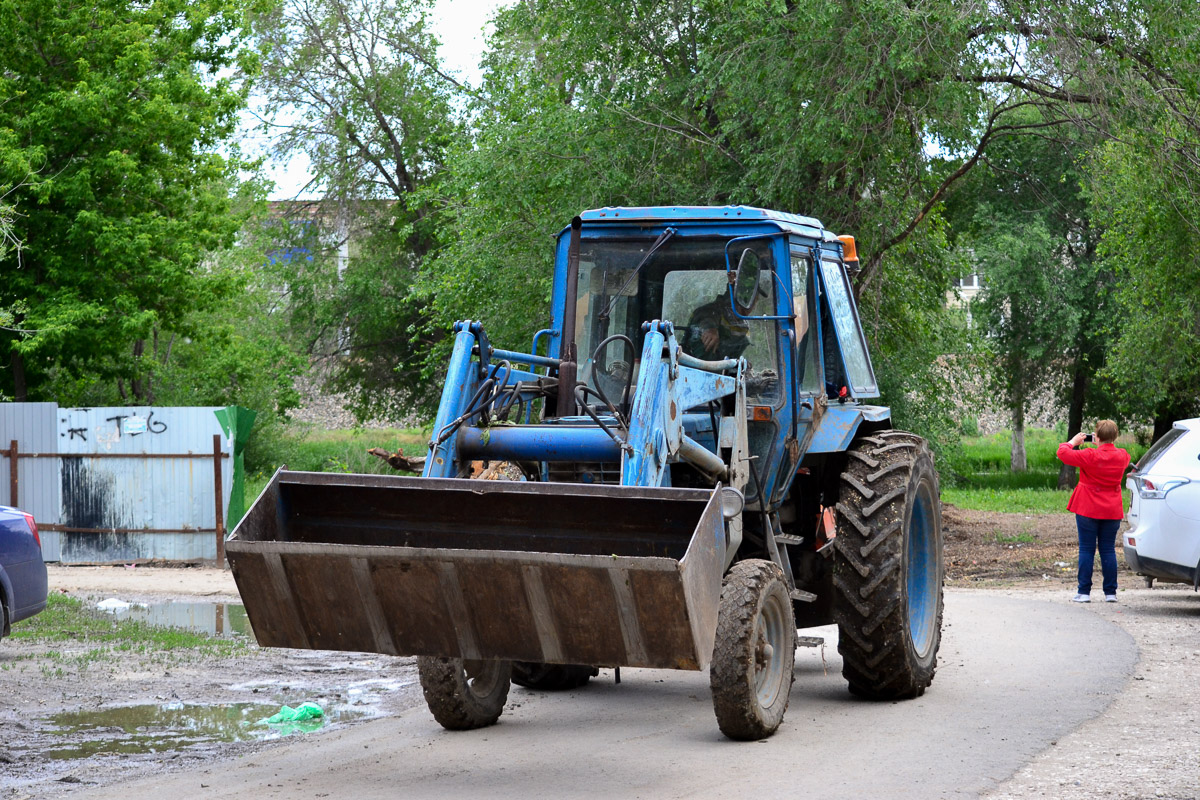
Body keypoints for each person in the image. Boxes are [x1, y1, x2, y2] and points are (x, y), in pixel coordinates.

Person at [1056, 420, 1131, 603]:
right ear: (1115, 437)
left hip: (1088, 507)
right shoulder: (1122, 456)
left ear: (1096, 437)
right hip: (1111, 509)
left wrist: (1073, 442)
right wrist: (1106, 442)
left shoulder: (1089, 455)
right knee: (1108, 550)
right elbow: (1117, 454)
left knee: (1087, 549)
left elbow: (1062, 453)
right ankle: (1110, 593)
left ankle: (1084, 592)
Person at [683, 294, 751, 360]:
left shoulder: (743, 328)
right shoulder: (710, 312)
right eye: (751, 300)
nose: (753, 306)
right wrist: (709, 329)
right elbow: (706, 315)